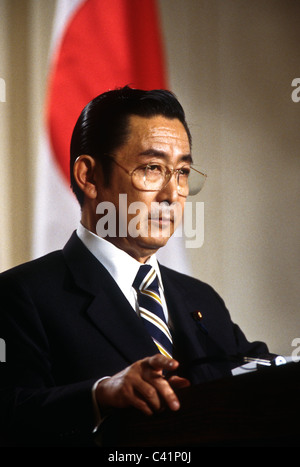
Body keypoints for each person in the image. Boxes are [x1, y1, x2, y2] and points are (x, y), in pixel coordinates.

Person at [0, 86, 271, 447]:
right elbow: (9, 414)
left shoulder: (200, 299)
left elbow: (256, 372)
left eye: (183, 172)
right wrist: (99, 396)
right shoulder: (21, 295)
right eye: (152, 168)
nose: (172, 193)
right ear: (90, 176)